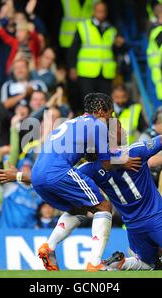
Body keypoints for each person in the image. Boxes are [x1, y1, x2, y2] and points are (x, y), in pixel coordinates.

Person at [0, 85, 162, 271]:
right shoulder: (136, 151)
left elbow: (55, 177)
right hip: (157, 217)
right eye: (115, 123)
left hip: (133, 226)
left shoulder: (93, 167)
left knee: (147, 264)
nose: (117, 124)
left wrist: (18, 175)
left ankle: (118, 265)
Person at [30, 92, 141, 272]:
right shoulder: (98, 125)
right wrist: (123, 160)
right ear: (100, 111)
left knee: (79, 209)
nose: (111, 119)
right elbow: (105, 162)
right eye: (110, 114)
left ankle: (48, 248)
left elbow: (89, 154)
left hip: (37, 176)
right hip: (58, 171)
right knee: (104, 207)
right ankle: (94, 263)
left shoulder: (71, 122)